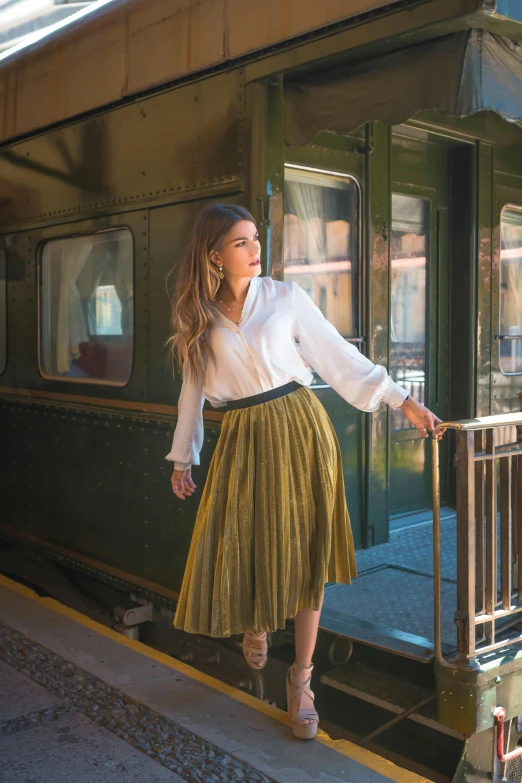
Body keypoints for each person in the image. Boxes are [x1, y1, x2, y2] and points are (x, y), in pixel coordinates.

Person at [166, 203, 446, 740]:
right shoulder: (199, 316)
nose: (256, 250)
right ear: (215, 255)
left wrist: (400, 400)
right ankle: (256, 622)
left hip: (300, 426)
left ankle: (301, 680)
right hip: (244, 434)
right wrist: (185, 455)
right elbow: (193, 391)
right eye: (243, 242)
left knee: (307, 549)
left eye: (255, 239)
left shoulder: (284, 298)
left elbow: (337, 356)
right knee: (249, 537)